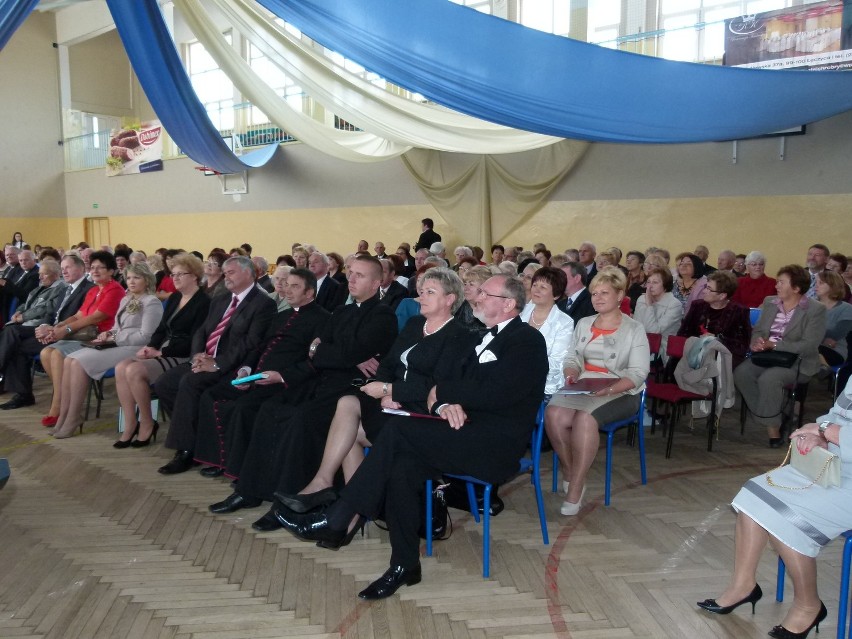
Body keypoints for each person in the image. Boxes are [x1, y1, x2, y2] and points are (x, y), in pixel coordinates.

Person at [273, 274, 547, 600]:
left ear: (509, 304)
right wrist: (444, 401)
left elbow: (497, 392)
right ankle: (404, 565)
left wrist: (440, 392)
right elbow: (456, 385)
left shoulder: (526, 340)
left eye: (485, 293)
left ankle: (339, 518)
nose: (477, 297)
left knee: (399, 430)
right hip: (460, 430)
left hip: (492, 444)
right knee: (402, 466)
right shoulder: (480, 337)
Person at [208, 255, 398, 530]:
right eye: (351, 273)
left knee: (300, 420)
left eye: (360, 275)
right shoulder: (342, 312)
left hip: (351, 391)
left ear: (377, 283)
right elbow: (321, 352)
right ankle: (249, 490)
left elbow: (342, 353)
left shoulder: (383, 315)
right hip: (321, 382)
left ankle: (288, 503)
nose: (352, 279)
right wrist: (330, 351)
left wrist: (328, 350)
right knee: (270, 409)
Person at [273, 268, 473, 515]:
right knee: (347, 405)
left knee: (349, 425)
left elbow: (437, 385)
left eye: (430, 292)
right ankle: (339, 497)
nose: (421, 297)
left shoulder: (459, 335)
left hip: (424, 413)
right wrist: (384, 390)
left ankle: (344, 508)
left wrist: (392, 390)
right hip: (394, 404)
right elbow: (387, 364)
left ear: (450, 299)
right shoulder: (414, 324)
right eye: (421, 291)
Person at [697, 377, 852, 638]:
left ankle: (809, 605)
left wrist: (826, 431)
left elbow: (832, 426)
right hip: (836, 463)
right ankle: (743, 585)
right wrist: (821, 437)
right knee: (754, 493)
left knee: (786, 516)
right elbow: (839, 414)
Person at [195, 269, 331, 489]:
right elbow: (259, 347)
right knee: (211, 395)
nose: (287, 289)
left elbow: (315, 361)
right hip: (256, 376)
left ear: (309, 292)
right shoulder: (282, 315)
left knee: (243, 408)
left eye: (295, 286)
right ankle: (219, 459)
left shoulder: (323, 319)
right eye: (287, 284)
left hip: (284, 383)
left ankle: (240, 470)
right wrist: (246, 370)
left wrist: (282, 377)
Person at [154, 256, 276, 474]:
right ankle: (195, 435)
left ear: (249, 274)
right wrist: (197, 356)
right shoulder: (221, 298)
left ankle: (186, 451)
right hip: (204, 359)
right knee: (164, 383)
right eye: (225, 272)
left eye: (231, 272)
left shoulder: (263, 303)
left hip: (231, 365)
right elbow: (201, 330)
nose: (225, 276)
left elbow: (251, 343)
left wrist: (217, 364)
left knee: (190, 383)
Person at [545, 267, 650, 515]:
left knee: (584, 419)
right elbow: (572, 358)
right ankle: (570, 469)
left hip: (623, 389)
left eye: (605, 293)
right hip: (584, 384)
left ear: (620, 295)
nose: (598, 298)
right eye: (594, 293)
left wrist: (610, 389)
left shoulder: (634, 329)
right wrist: (571, 372)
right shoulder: (584, 323)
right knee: (553, 414)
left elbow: (637, 374)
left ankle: (577, 484)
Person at [49, 263, 163, 439]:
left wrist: (115, 337)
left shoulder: (151, 302)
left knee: (79, 363)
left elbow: (146, 336)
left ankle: (73, 417)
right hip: (118, 343)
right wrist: (107, 333)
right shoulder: (126, 299)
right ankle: (64, 416)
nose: (131, 281)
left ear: (147, 280)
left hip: (135, 348)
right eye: (129, 277)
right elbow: (117, 327)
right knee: (69, 359)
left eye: (136, 278)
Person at [113, 252, 210, 448]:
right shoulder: (175, 298)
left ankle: (147, 422)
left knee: (134, 370)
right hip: (164, 349)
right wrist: (151, 346)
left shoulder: (204, 302)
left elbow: (196, 339)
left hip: (182, 355)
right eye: (172, 274)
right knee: (121, 367)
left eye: (179, 274)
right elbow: (161, 329)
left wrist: (161, 353)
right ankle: (131, 424)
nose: (174, 279)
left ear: (194, 276)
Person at [734, 265, 827, 447]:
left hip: (798, 361)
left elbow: (809, 344)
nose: (776, 285)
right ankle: (777, 413)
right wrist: (757, 342)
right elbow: (759, 330)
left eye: (781, 282)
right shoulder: (770, 302)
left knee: (769, 379)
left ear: (796, 288)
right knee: (741, 373)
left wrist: (775, 344)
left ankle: (773, 430)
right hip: (768, 356)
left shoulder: (815, 309)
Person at [38, 251, 124, 426]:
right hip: (82, 334)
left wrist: (66, 330)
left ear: (111, 271)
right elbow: (78, 315)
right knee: (45, 352)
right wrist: (57, 327)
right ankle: (65, 398)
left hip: (99, 338)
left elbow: (96, 318)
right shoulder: (93, 290)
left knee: (56, 354)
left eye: (101, 267)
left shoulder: (115, 290)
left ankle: (58, 408)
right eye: (92, 267)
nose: (95, 271)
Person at [0, 254, 93, 410]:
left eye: (67, 268)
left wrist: (52, 328)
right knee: (14, 343)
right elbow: (51, 314)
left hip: (69, 335)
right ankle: (24, 395)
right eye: (63, 268)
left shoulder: (87, 289)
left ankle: (20, 391)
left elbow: (79, 317)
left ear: (81, 268)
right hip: (51, 330)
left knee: (12, 333)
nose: (64, 272)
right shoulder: (66, 288)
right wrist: (45, 327)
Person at [678, 270, 751, 368]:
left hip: (722, 356)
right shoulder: (697, 305)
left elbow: (742, 344)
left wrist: (716, 339)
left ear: (722, 296)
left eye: (709, 289)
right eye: (705, 287)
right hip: (694, 351)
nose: (704, 291)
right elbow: (683, 333)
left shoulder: (739, 312)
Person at [520, 267, 574, 396]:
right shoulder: (520, 311)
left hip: (545, 384)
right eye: (535, 285)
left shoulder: (564, 322)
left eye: (543, 287)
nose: (536, 290)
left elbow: (556, 363)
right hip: (513, 377)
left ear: (556, 294)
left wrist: (520, 367)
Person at [633, 266, 683, 362]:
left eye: (655, 282)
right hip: (640, 344)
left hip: (661, 349)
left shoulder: (674, 305)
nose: (650, 286)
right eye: (648, 282)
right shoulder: (641, 299)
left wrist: (649, 306)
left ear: (665, 286)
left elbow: (654, 332)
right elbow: (636, 327)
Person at [814, 270, 852, 368]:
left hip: (835, 351)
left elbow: (837, 333)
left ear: (832, 286)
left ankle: (824, 367)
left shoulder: (846, 308)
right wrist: (823, 338)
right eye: (816, 282)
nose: (816, 285)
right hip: (812, 345)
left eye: (821, 283)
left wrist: (813, 334)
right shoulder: (810, 306)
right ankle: (822, 365)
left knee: (806, 350)